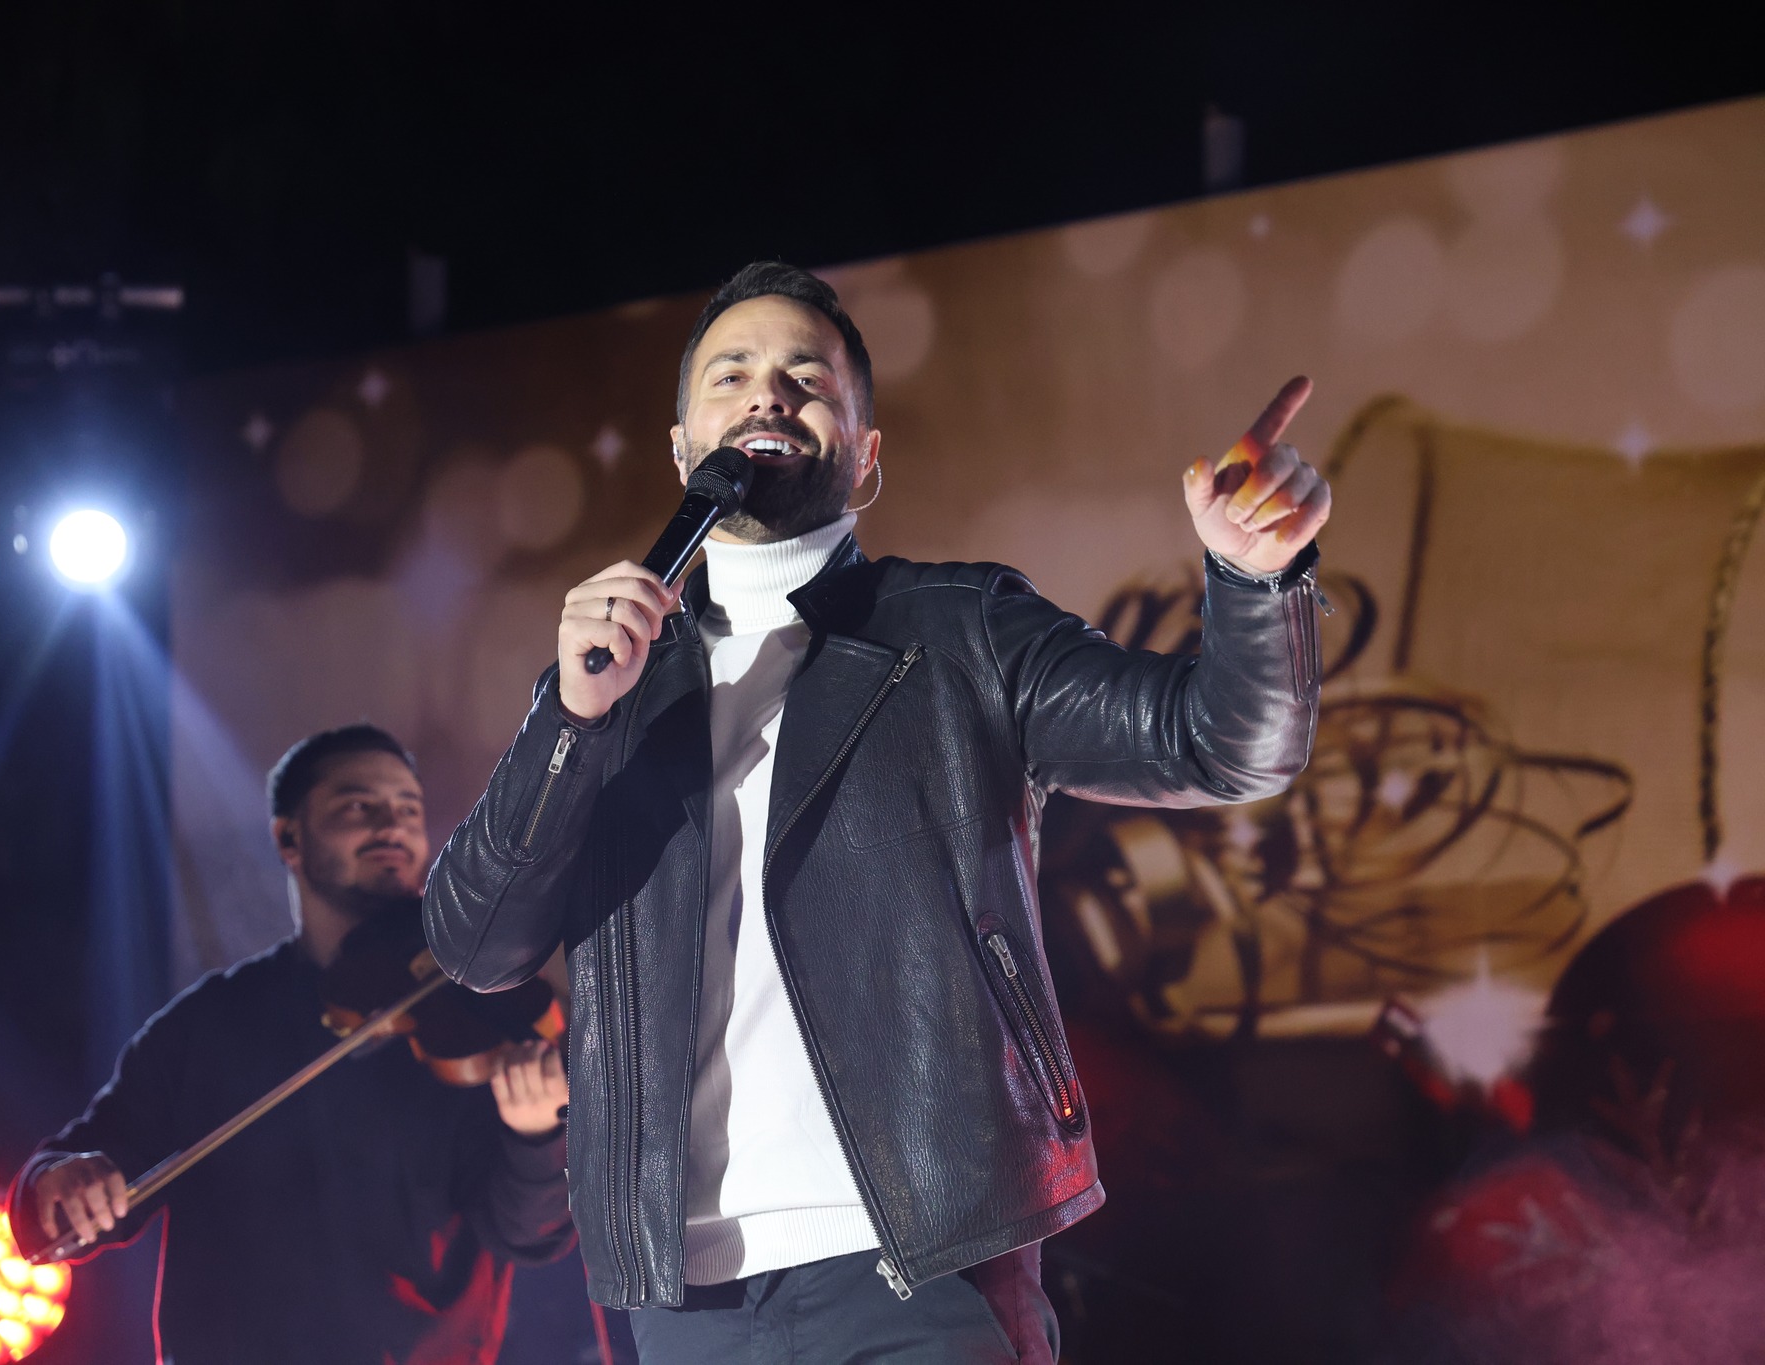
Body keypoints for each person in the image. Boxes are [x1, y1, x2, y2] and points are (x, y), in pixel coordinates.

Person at [424, 260, 1331, 1363]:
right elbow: (475, 944)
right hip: (685, 1298)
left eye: (806, 378)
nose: (767, 394)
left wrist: (1254, 583)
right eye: (731, 375)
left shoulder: (959, 629)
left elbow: (1221, 744)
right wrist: (570, 719)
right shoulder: (612, 683)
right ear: (680, 447)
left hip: (922, 1261)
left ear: (865, 455)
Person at [10, 725, 574, 1365]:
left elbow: (527, 1235)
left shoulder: (477, 1014)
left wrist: (537, 1134)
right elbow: (77, 1170)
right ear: (288, 838)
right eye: (358, 806)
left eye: (408, 809)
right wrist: (61, 1180)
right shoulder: (207, 1025)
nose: (392, 825)